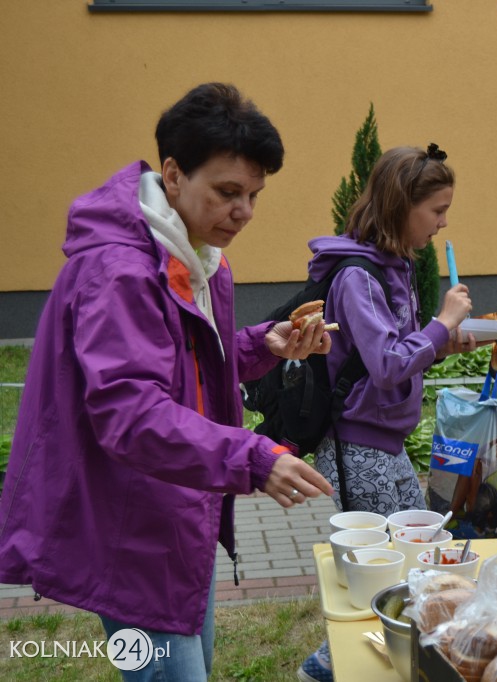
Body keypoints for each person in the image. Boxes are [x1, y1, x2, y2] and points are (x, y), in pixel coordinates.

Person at [0, 82, 335, 681]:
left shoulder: (192, 251)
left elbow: (174, 363)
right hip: (133, 525)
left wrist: (262, 345)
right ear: (173, 175)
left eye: (255, 195)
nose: (245, 213)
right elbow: (131, 414)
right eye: (229, 192)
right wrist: (254, 457)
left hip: (178, 508)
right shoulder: (123, 269)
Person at [298, 143, 479, 682]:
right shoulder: (359, 277)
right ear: (402, 206)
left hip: (386, 443)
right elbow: (385, 365)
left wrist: (447, 341)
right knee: (381, 574)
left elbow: (399, 347)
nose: (442, 225)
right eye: (437, 211)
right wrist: (440, 323)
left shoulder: (395, 267)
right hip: (360, 447)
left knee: (411, 560)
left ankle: (378, 661)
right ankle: (333, 666)